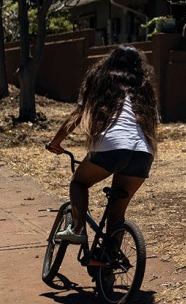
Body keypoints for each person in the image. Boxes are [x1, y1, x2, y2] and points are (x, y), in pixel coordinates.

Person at [46, 45, 159, 244]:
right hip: (143, 153)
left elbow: (78, 116)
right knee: (117, 216)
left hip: (111, 147)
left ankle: (78, 228)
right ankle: (108, 268)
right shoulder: (144, 89)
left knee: (79, 182)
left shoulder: (101, 81)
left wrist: (56, 142)